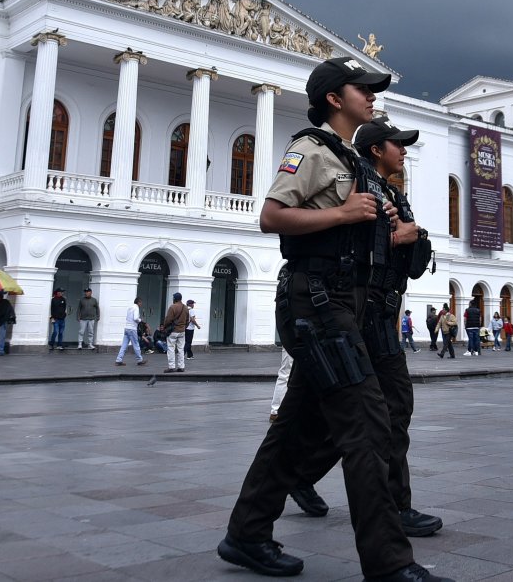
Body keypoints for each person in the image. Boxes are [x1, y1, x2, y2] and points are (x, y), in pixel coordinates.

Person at [219, 57, 448, 582]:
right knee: (367, 423)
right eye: (361, 88)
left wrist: (392, 227)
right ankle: (389, 565)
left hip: (346, 305)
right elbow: (271, 216)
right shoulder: (310, 150)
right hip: (317, 303)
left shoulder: (353, 161)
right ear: (333, 98)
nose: (371, 96)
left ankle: (247, 533)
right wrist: (343, 213)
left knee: (298, 426)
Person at [286, 116, 442, 539]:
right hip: (359, 313)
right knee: (385, 409)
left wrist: (414, 235)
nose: (404, 151)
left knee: (349, 412)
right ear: (376, 149)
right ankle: (395, 507)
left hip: (379, 313)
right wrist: (396, 237)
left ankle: (298, 475)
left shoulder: (393, 195)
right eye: (397, 144)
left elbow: (408, 264)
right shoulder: (359, 185)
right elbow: (355, 246)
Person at [161, 292, 190, 373]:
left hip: (173, 331)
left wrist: (164, 327)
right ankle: (181, 366)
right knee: (181, 349)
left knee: (171, 348)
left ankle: (171, 367)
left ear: (174, 299)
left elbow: (168, 319)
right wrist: (184, 327)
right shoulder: (185, 308)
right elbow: (187, 320)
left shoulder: (172, 307)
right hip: (182, 331)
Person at [115, 297, 147, 366]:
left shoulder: (130, 308)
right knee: (136, 344)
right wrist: (140, 320)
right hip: (132, 329)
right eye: (141, 303)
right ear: (138, 302)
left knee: (124, 345)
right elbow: (135, 318)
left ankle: (118, 360)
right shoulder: (136, 308)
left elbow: (127, 317)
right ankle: (140, 360)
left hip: (127, 328)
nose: (141, 304)